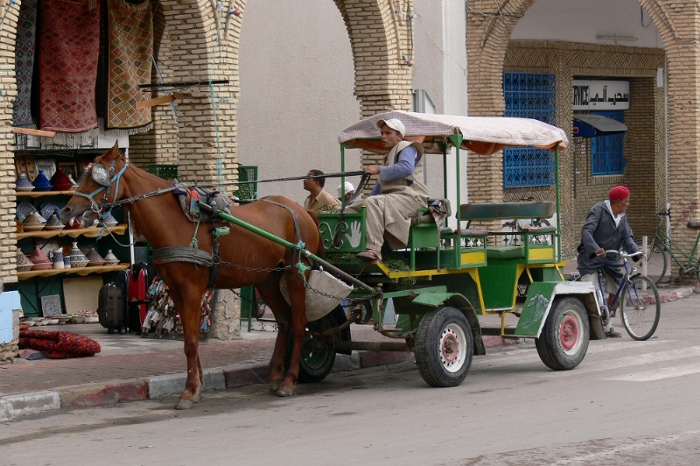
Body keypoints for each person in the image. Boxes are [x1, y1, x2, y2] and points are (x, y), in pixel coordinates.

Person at [345, 117, 429, 262]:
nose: (383, 136)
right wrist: (362, 203)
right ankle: (347, 246)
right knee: (351, 208)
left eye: (388, 133)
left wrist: (378, 169)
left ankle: (375, 249)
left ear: (399, 136)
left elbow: (406, 168)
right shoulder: (388, 157)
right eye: (382, 133)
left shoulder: (406, 147)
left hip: (412, 198)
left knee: (372, 203)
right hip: (394, 198)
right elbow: (378, 190)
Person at [577, 185, 642, 338]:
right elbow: (586, 231)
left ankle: (607, 325)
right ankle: (589, 325)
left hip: (611, 257)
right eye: (626, 201)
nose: (628, 204)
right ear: (617, 201)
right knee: (590, 290)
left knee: (616, 287)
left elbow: (627, 237)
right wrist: (594, 248)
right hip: (591, 257)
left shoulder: (622, 217)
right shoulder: (598, 210)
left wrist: (636, 252)